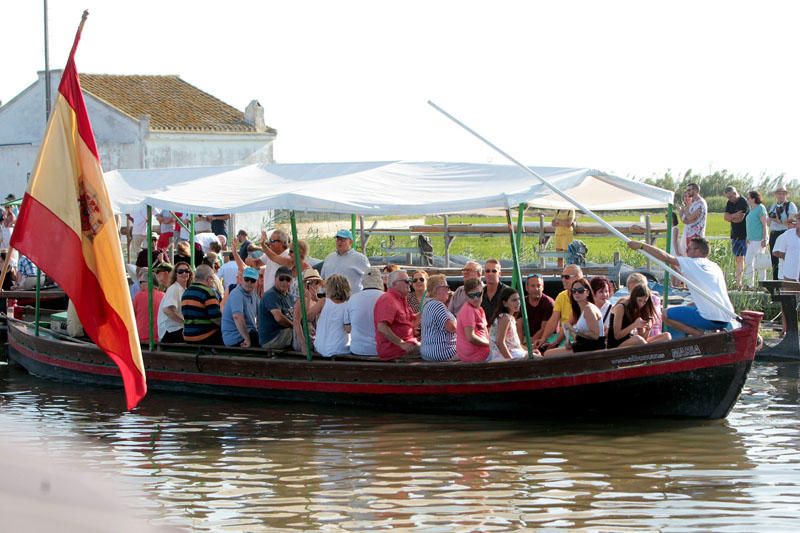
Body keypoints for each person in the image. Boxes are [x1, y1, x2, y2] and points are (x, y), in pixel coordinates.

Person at [628, 237, 734, 337]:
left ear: (697, 251)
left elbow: (666, 258)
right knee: (690, 305)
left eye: (688, 249)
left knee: (663, 314)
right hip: (727, 317)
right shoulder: (714, 266)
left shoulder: (692, 262)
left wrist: (641, 246)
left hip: (710, 319)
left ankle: (700, 335)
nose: (686, 252)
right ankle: (713, 332)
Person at [544, 277, 604, 355]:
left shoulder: (588, 309)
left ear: (588, 292)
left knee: (548, 354)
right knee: (547, 352)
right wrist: (567, 341)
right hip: (583, 345)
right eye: (574, 291)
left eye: (580, 291)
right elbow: (567, 327)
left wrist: (573, 330)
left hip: (592, 348)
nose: (576, 293)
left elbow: (595, 335)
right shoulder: (577, 310)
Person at [607, 284, 672, 349]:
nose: (641, 304)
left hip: (632, 342)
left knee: (666, 336)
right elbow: (617, 335)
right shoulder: (621, 307)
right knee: (637, 339)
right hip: (615, 345)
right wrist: (634, 325)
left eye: (644, 302)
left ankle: (651, 353)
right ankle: (651, 354)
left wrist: (648, 329)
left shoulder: (641, 309)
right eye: (639, 300)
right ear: (634, 297)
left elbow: (643, 338)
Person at [535, 264, 583, 351]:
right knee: (539, 347)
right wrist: (543, 338)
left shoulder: (583, 298)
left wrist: (555, 343)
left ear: (578, 278)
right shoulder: (561, 296)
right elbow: (553, 320)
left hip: (576, 336)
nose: (563, 280)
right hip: (564, 335)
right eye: (562, 277)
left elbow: (569, 325)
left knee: (548, 353)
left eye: (567, 277)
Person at [374, 269, 420, 360]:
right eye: (407, 281)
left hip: (407, 345)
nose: (409, 284)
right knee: (436, 351)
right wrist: (401, 343)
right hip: (395, 350)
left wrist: (429, 306)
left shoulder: (401, 299)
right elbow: (382, 327)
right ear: (395, 284)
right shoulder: (387, 299)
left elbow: (413, 322)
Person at [347, 267, 384, 357]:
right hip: (380, 350)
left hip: (357, 349)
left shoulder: (353, 298)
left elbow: (348, 327)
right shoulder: (387, 298)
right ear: (380, 281)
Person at [181, 264, 222, 344]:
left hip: (187, 336)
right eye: (212, 278)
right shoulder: (208, 292)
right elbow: (216, 318)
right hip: (204, 336)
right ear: (208, 278)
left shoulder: (186, 292)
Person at [420, 274, 457, 361]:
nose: (448, 290)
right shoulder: (437, 305)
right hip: (441, 352)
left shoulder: (427, 303)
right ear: (437, 289)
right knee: (474, 350)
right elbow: (452, 327)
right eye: (446, 287)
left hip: (429, 352)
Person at [321, 229, 370, 294]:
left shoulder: (360, 258)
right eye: (338, 239)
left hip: (352, 300)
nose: (339, 242)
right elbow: (322, 278)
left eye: (343, 240)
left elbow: (369, 278)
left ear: (351, 242)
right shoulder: (329, 258)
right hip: (330, 300)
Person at [221, 266, 260, 347]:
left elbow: (261, 315)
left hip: (247, 332)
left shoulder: (254, 294)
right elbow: (237, 317)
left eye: (252, 280)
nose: (249, 282)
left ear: (257, 282)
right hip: (234, 337)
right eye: (246, 279)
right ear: (242, 279)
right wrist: (247, 339)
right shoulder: (237, 293)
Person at [314, 274, 352, 357]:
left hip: (321, 348)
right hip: (340, 349)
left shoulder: (323, 302)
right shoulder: (348, 306)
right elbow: (349, 329)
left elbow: (308, 317)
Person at [258, 266, 296, 349]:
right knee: (300, 334)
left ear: (291, 282)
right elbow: (279, 318)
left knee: (307, 328)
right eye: (281, 278)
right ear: (275, 279)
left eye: (288, 279)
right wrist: (295, 326)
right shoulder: (271, 295)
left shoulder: (290, 297)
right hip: (272, 338)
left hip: (283, 333)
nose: (284, 282)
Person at [488, 287, 528, 361]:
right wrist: (510, 361)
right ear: (505, 303)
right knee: (537, 358)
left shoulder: (510, 318)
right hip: (504, 355)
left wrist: (529, 350)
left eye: (519, 299)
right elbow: (500, 342)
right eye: (514, 300)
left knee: (536, 354)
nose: (518, 302)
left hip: (513, 351)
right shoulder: (505, 318)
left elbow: (515, 345)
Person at [456, 278, 491, 362]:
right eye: (471, 295)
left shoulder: (480, 309)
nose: (475, 298)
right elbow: (470, 337)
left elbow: (485, 332)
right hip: (474, 356)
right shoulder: (468, 310)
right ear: (466, 295)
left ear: (482, 292)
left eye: (478, 294)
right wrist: (490, 344)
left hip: (479, 352)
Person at [292, 268, 326, 354]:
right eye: (310, 282)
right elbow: (297, 322)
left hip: (315, 337)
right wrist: (303, 344)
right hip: (304, 339)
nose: (314, 285)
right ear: (306, 285)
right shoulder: (301, 301)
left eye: (317, 282)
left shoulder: (319, 301)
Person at [768, 185, 798, 280]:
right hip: (774, 234)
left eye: (783, 194)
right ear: (776, 195)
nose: (781, 196)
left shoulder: (790, 205)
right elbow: (769, 221)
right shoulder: (774, 206)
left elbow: (791, 222)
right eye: (779, 194)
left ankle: (785, 281)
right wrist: (770, 218)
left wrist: (778, 220)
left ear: (786, 195)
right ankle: (775, 282)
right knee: (774, 260)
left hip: (785, 233)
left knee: (784, 259)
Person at [157, 261, 192, 343]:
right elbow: (167, 310)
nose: (184, 273)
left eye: (187, 271)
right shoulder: (174, 289)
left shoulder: (185, 289)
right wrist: (185, 322)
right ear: (175, 274)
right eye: (180, 272)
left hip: (177, 329)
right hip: (169, 330)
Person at [518, 274, 554, 347]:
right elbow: (519, 326)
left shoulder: (549, 303)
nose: (536, 289)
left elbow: (544, 328)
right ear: (526, 288)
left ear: (543, 287)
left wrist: (528, 345)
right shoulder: (521, 303)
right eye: (533, 286)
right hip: (526, 338)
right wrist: (520, 345)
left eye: (538, 286)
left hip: (546, 338)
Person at [723, 186, 749, 287]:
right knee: (738, 259)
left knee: (747, 259)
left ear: (735, 193)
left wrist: (731, 217)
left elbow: (740, 218)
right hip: (735, 235)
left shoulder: (743, 202)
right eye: (727, 197)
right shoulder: (729, 203)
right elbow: (725, 217)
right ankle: (739, 283)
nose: (729, 199)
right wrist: (734, 216)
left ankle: (748, 282)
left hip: (745, 235)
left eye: (730, 197)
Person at [744, 190, 769, 287]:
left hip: (759, 240)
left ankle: (762, 284)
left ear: (754, 199)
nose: (747, 199)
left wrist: (764, 239)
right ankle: (750, 284)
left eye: (748, 198)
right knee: (749, 261)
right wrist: (747, 237)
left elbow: (764, 225)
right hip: (751, 240)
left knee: (760, 263)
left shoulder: (760, 208)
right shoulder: (751, 209)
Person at [625, 272, 663, 337]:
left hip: (650, 333)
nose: (633, 294)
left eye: (635, 290)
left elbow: (644, 321)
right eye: (630, 291)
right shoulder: (655, 297)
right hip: (653, 332)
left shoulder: (650, 300)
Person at [132, 269, 164, 343]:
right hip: (159, 337)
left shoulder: (138, 296)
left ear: (149, 282)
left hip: (142, 337)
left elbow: (131, 315)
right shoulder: (163, 296)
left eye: (141, 282)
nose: (140, 285)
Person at [773, 215, 800, 282]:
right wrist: (790, 257)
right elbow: (775, 252)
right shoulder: (784, 236)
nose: (795, 224)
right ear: (788, 224)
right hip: (786, 273)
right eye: (793, 223)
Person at [680, 183, 707, 247]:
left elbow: (689, 218)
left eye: (689, 190)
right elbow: (685, 221)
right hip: (689, 234)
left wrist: (684, 211)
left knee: (695, 255)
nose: (687, 192)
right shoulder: (693, 203)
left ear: (696, 190)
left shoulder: (700, 203)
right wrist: (686, 215)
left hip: (697, 236)